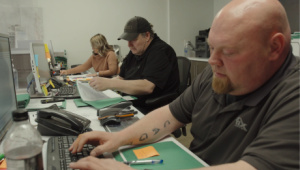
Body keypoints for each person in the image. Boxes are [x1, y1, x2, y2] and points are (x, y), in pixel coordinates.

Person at [69, 0, 299, 169]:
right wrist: (117, 139)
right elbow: (170, 114)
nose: (212, 61)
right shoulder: (215, 73)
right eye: (211, 48)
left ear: (275, 47)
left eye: (227, 51)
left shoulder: (293, 94)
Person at [88, 16, 180, 112]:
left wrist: (110, 83)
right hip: (132, 101)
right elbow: (121, 77)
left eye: (133, 39)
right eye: (128, 40)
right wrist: (98, 83)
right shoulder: (136, 51)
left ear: (147, 36)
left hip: (154, 108)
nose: (129, 45)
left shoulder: (161, 51)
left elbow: (147, 86)